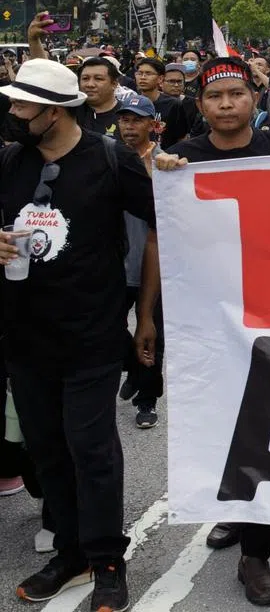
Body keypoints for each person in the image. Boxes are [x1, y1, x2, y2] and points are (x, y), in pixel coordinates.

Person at [158, 57, 270, 607]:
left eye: (235, 94)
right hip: (211, 322)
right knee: (222, 423)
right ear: (200, 106)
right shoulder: (184, 161)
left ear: (254, 99)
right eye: (215, 97)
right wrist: (161, 178)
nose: (226, 105)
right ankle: (233, 511)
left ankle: (257, 554)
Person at [0, 59, 160, 612]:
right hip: (24, 340)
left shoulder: (111, 160)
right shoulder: (9, 162)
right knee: (48, 451)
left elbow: (167, 224)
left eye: (23, 105)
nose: (14, 112)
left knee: (92, 451)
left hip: (91, 338)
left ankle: (107, 560)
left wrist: (146, 316)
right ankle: (70, 553)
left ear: (54, 110)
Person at [114, 94, 164, 429]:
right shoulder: (107, 157)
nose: (129, 126)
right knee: (111, 330)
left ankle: (146, 400)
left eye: (136, 120)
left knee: (152, 333)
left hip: (154, 263)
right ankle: (132, 367)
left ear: (152, 125)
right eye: (124, 120)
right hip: (115, 264)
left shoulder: (167, 162)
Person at [75, 57, 122, 137]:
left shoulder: (126, 115)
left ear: (114, 84)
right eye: (85, 79)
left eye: (98, 79)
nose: (90, 84)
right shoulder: (69, 114)